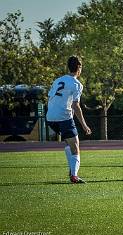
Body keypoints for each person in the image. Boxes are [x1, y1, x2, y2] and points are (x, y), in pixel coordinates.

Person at [46, 56, 92, 184]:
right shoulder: (77, 84)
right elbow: (76, 106)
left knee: (69, 143)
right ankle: (74, 175)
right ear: (79, 68)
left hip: (50, 117)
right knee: (75, 146)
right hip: (63, 118)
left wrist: (53, 112)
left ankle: (72, 170)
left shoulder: (58, 80)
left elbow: (50, 98)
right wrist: (84, 125)